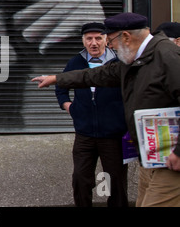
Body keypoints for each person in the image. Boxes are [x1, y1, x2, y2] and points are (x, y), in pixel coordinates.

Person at [32, 12, 180, 207]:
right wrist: (57, 79)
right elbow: (99, 74)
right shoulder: (138, 58)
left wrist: (179, 152)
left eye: (109, 40)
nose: (109, 46)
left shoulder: (167, 55)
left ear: (126, 37)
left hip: (171, 158)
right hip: (153, 156)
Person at [55, 22, 128, 207]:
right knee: (80, 178)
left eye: (98, 38)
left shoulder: (120, 61)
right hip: (84, 133)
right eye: (89, 39)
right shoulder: (76, 62)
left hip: (113, 135)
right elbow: (61, 85)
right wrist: (68, 106)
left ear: (106, 40)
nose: (93, 43)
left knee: (115, 181)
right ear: (83, 41)